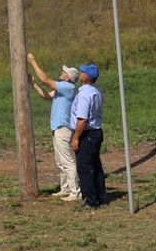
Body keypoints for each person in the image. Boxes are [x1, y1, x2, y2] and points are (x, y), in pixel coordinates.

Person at [27, 52, 81, 201]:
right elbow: (46, 96)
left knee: (67, 160)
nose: (61, 73)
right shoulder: (62, 89)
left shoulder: (67, 87)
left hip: (63, 128)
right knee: (60, 161)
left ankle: (75, 191)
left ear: (68, 77)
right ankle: (65, 188)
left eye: (64, 72)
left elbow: (45, 80)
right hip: (57, 128)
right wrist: (33, 85)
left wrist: (33, 62)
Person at [70, 62, 107, 208]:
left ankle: (90, 200)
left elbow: (82, 119)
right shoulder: (96, 91)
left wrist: (76, 138)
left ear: (86, 77)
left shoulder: (84, 94)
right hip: (96, 131)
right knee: (96, 166)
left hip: (87, 133)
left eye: (83, 71)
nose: (80, 72)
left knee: (85, 167)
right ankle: (100, 196)